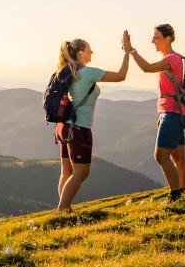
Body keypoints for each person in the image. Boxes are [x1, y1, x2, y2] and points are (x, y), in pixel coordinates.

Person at [53, 33, 133, 213]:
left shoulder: (66, 71)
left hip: (63, 127)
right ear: (80, 53)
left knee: (66, 172)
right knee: (81, 173)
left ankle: (64, 210)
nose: (92, 52)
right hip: (79, 128)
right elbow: (120, 76)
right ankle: (62, 210)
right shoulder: (87, 72)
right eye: (89, 49)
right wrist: (127, 52)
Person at [124, 24, 185, 201]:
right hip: (177, 113)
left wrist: (132, 51)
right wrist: (162, 116)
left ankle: (175, 194)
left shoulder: (172, 59)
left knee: (160, 156)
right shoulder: (178, 58)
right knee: (178, 157)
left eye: (156, 37)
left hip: (173, 114)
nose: (152, 40)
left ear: (167, 39)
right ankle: (183, 192)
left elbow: (147, 67)